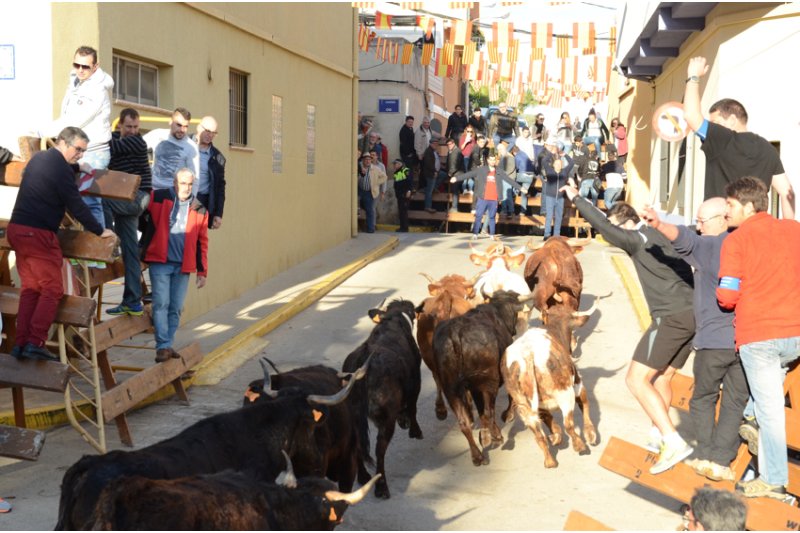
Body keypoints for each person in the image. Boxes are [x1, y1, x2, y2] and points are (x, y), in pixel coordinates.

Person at [560, 185, 696, 475]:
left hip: (670, 317)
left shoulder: (638, 239)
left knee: (635, 380)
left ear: (625, 222)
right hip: (692, 314)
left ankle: (673, 441)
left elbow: (603, 226)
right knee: (662, 376)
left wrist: (576, 197)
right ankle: (659, 433)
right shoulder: (665, 233)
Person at [641, 198, 746, 483]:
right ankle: (722, 461)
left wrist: (659, 223)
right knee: (735, 402)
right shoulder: (745, 243)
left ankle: (709, 454)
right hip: (745, 341)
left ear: (723, 218)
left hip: (714, 341)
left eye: (702, 221)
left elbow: (683, 239)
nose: (698, 228)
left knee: (702, 399)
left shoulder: (712, 246)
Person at [716, 176, 800, 500]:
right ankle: (750, 418)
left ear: (749, 206)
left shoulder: (736, 241)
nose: (726, 212)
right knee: (769, 389)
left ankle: (773, 478)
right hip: (796, 334)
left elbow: (726, 296)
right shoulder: (794, 230)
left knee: (771, 409)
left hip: (761, 336)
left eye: (730, 206)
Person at [7, 127, 116, 361]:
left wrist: (76, 167)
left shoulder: (41, 159)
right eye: (78, 150)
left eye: (84, 151)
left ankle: (21, 343)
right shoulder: (59, 169)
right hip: (37, 234)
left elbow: (55, 171)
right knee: (52, 289)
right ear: (63, 143)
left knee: (31, 290)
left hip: (18, 230)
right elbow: (76, 205)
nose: (80, 155)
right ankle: (36, 341)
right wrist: (100, 230)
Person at [683, 56, 794, 219]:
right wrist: (788, 231)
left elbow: (691, 115)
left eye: (715, 122)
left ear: (733, 120)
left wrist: (693, 76)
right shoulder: (768, 148)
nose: (712, 126)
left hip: (722, 228)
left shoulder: (722, 139)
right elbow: (786, 192)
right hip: (755, 230)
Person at [40, 46, 114, 234]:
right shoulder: (75, 82)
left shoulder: (96, 90)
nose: (80, 70)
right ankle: (81, 251)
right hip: (77, 149)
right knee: (75, 200)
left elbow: (73, 122)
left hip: (93, 151)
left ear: (95, 66)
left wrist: (41, 131)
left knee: (89, 201)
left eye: (85, 67)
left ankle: (95, 251)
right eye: (76, 65)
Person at [140, 168, 208, 363]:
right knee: (161, 303)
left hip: (183, 265)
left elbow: (202, 242)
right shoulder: (158, 197)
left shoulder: (199, 208)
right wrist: (142, 245)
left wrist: (203, 271)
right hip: (160, 261)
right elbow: (139, 213)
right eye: (182, 183)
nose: (186, 187)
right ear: (174, 182)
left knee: (176, 307)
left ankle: (167, 344)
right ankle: (162, 346)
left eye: (189, 183)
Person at [104, 108, 153, 317]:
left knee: (101, 201)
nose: (133, 130)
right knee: (131, 253)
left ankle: (106, 242)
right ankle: (132, 301)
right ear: (120, 125)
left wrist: (100, 137)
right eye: (129, 127)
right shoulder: (116, 138)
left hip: (138, 197)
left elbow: (108, 147)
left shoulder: (136, 142)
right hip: (123, 198)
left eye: (135, 127)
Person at [450, 151, 522, 240]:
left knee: (492, 217)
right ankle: (475, 234)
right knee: (479, 215)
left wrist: (520, 188)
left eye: (494, 160)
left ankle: (492, 234)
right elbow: (469, 174)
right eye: (491, 160)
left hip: (494, 198)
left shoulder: (499, 171)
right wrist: (456, 178)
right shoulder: (481, 170)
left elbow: (508, 180)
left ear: (496, 161)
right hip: (483, 197)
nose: (492, 161)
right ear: (488, 160)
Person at [143, 107, 199, 191]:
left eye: (185, 126)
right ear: (170, 122)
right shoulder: (157, 134)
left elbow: (195, 178)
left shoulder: (191, 147)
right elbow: (136, 146)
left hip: (174, 194)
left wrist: (190, 201)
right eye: (179, 125)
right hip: (152, 190)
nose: (182, 130)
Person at [193, 116, 226, 230]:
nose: (210, 135)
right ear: (199, 127)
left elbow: (220, 187)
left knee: (196, 239)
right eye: (207, 131)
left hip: (200, 201)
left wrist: (218, 213)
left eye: (214, 133)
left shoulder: (218, 158)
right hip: (180, 196)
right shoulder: (185, 144)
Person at [539, 138, 573, 239]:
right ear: (553, 165)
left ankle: (556, 235)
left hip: (560, 198)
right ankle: (547, 235)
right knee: (549, 216)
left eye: (560, 164)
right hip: (550, 197)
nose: (558, 165)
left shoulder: (564, 172)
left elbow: (571, 163)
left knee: (558, 217)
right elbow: (544, 161)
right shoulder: (549, 171)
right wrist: (551, 153)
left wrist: (564, 154)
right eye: (557, 163)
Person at [356, 152, 387, 233]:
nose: (367, 161)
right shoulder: (359, 167)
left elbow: (384, 177)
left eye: (369, 160)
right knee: (357, 209)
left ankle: (370, 228)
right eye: (366, 160)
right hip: (359, 190)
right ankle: (357, 227)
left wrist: (376, 182)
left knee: (370, 210)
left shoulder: (375, 169)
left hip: (369, 192)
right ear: (363, 160)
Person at [414, 117, 441, 190]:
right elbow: (417, 144)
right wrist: (419, 154)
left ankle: (426, 186)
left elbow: (435, 134)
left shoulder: (429, 130)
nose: (426, 124)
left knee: (427, 171)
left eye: (428, 123)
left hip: (428, 153)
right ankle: (421, 187)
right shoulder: (419, 132)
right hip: (422, 154)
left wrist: (442, 137)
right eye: (425, 123)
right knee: (422, 171)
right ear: (422, 123)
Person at [421, 138, 446, 213]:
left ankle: (430, 188)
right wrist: (434, 171)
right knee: (429, 191)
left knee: (444, 175)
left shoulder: (433, 151)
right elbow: (429, 164)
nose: (436, 145)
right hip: (431, 173)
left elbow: (436, 161)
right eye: (434, 144)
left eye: (437, 144)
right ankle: (428, 206)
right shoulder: (428, 151)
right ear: (431, 144)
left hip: (436, 171)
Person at [496, 141, 517, 219]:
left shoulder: (510, 156)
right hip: (504, 178)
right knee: (504, 194)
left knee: (507, 195)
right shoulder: (503, 157)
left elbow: (511, 168)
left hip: (508, 178)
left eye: (500, 150)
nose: (499, 152)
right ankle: (505, 210)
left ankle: (509, 210)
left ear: (502, 149)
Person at [513, 145, 536, 216]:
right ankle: (522, 212)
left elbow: (515, 167)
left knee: (512, 181)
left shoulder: (516, 156)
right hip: (531, 176)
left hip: (522, 175)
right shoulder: (524, 154)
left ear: (514, 152)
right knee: (524, 193)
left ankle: (515, 194)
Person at [391, 159, 412, 233]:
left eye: (395, 164)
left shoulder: (405, 170)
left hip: (404, 193)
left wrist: (409, 190)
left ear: (400, 164)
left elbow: (409, 181)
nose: (394, 165)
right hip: (399, 194)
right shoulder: (396, 172)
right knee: (401, 211)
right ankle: (402, 227)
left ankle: (405, 228)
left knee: (403, 211)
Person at [444, 138, 464, 212]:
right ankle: (454, 207)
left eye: (450, 144)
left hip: (458, 174)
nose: (449, 146)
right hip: (455, 173)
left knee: (455, 190)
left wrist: (449, 173)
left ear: (453, 143)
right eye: (447, 145)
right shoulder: (451, 151)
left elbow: (455, 165)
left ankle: (454, 207)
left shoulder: (456, 152)